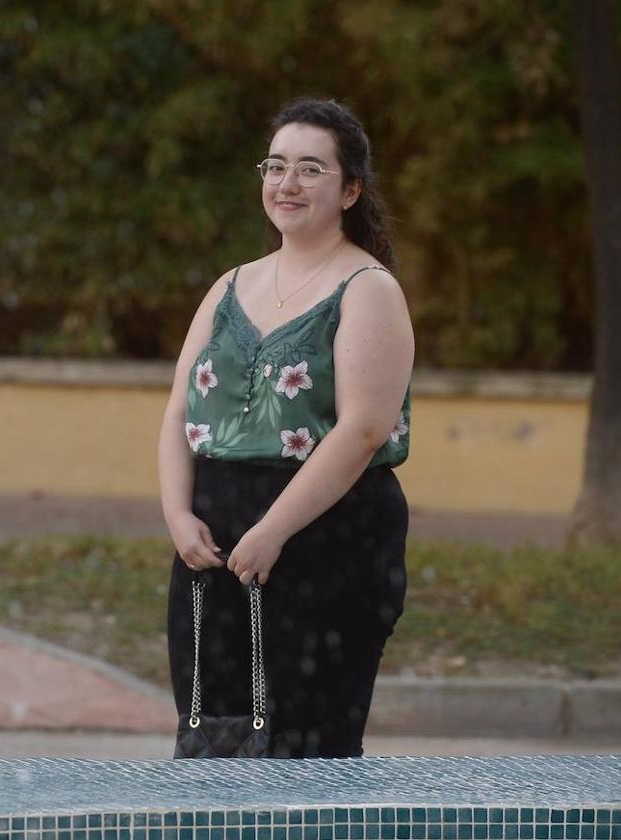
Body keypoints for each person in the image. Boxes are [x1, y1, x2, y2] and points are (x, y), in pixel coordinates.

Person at [158, 97, 413, 759]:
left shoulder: (367, 288)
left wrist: (272, 531)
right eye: (275, 167)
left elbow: (360, 431)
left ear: (350, 189)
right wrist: (179, 518)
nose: (286, 183)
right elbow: (179, 411)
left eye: (309, 169)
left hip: (327, 540)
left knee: (306, 753)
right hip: (213, 546)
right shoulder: (229, 286)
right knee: (212, 744)